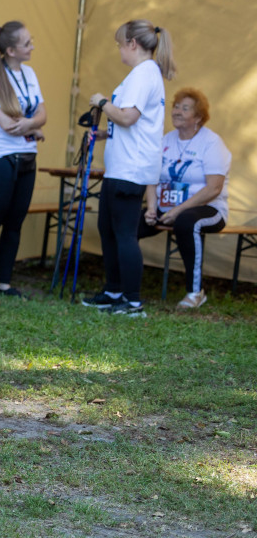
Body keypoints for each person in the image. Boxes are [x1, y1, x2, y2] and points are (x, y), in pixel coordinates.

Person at [83, 19, 175, 317]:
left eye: (120, 44)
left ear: (132, 44)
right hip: (122, 165)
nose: (119, 50)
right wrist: (102, 134)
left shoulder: (142, 74)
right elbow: (131, 124)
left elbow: (127, 117)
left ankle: (133, 301)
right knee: (108, 229)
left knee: (123, 233)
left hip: (131, 168)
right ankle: (113, 291)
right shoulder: (144, 74)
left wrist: (101, 101)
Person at [0, 21, 47, 298]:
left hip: (27, 157)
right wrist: (34, 127)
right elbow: (6, 125)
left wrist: (31, 124)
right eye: (28, 44)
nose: (32, 47)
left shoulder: (29, 73)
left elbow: (43, 114)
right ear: (12, 50)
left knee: (15, 223)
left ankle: (4, 282)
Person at [137, 88, 229, 309]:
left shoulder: (212, 143)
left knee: (187, 222)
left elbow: (214, 188)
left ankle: (195, 292)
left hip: (208, 209)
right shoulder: (165, 140)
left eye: (184, 108)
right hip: (167, 207)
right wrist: (151, 207)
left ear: (198, 117)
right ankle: (125, 286)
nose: (176, 111)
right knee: (128, 223)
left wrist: (176, 212)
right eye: (176, 106)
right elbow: (152, 176)